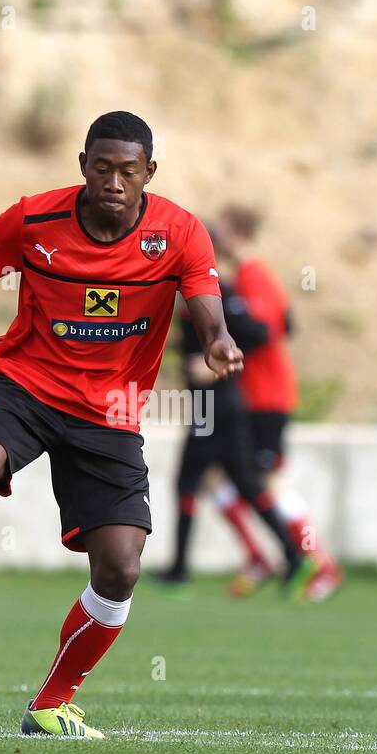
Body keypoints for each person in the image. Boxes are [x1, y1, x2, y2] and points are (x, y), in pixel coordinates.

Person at [0, 111, 240, 738]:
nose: (114, 181)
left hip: (109, 414)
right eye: (102, 167)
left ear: (149, 175)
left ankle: (52, 704)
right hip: (25, 386)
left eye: (128, 171)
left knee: (120, 568)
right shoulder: (35, 220)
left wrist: (217, 340)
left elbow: (206, 306)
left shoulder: (180, 233)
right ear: (83, 165)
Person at [151, 232, 304, 591]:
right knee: (246, 484)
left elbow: (261, 332)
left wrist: (223, 360)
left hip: (215, 404)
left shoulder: (220, 296)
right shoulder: (189, 297)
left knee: (188, 482)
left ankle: (178, 570)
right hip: (217, 405)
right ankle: (293, 556)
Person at [213, 204, 343, 601]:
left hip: (267, 395)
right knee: (221, 476)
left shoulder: (255, 274)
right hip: (252, 395)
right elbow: (287, 321)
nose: (214, 239)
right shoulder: (248, 276)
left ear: (237, 233)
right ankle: (258, 557)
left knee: (270, 481)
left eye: (219, 231)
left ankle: (320, 564)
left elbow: (269, 329)